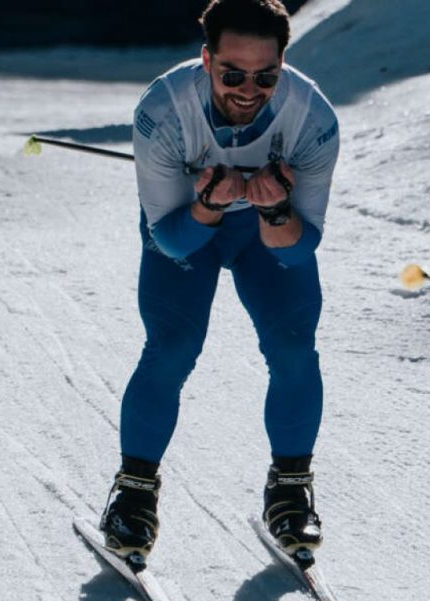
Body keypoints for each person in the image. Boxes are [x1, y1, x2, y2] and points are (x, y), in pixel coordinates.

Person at [98, 0, 340, 568]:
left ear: (284, 63)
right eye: (232, 74)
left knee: (294, 349)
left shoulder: (313, 118)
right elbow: (172, 242)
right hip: (189, 226)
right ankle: (133, 494)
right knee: (172, 348)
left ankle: (290, 488)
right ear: (206, 60)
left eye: (266, 76)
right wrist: (208, 204)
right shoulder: (162, 112)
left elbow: (301, 246)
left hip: (262, 232)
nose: (249, 89)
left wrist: (277, 210)